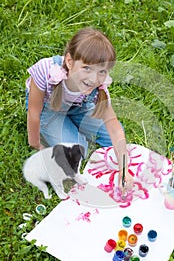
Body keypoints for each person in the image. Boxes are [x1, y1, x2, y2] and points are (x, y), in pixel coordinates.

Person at [26, 27, 132, 189]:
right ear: (69, 61)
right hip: (49, 109)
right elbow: (34, 112)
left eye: (102, 71)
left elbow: (114, 128)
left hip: (78, 107)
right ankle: (68, 133)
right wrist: (35, 143)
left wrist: (124, 169)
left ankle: (71, 124)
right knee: (74, 152)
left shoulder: (98, 88)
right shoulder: (46, 71)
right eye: (87, 68)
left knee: (115, 140)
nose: (94, 78)